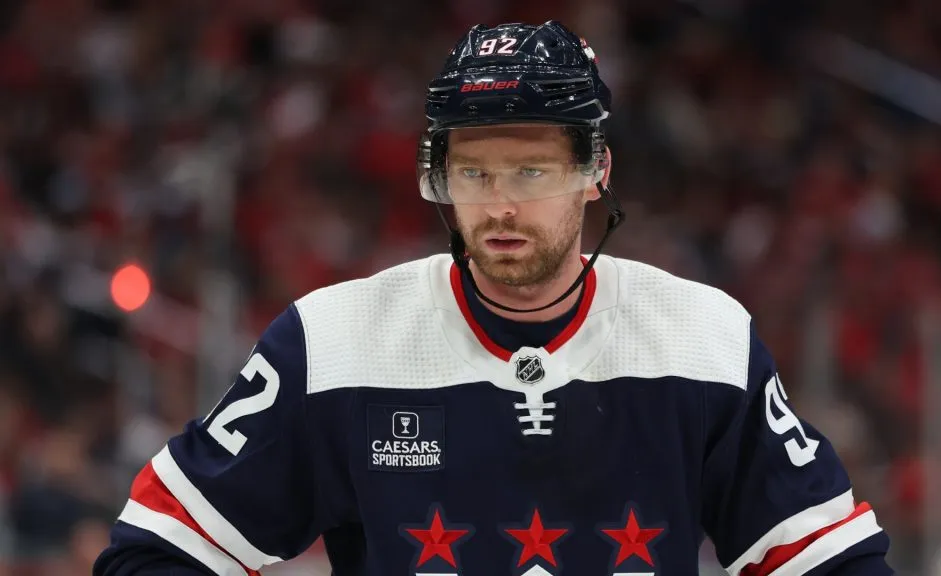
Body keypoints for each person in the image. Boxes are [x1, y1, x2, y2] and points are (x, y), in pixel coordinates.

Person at [94, 21, 894, 576]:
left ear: (597, 173)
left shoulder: (704, 338)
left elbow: (832, 561)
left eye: (532, 171)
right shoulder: (331, 341)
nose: (501, 205)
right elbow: (158, 550)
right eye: (474, 172)